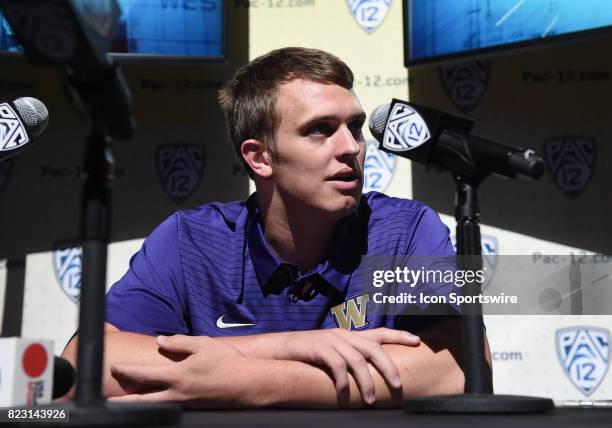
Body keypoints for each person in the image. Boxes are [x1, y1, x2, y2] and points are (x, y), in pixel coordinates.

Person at [62, 47, 491, 408]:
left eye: (355, 127)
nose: (352, 148)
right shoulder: (190, 241)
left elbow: (464, 364)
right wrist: (280, 345)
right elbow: (82, 365)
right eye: (320, 130)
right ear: (259, 158)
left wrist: (249, 381)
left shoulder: (405, 229)